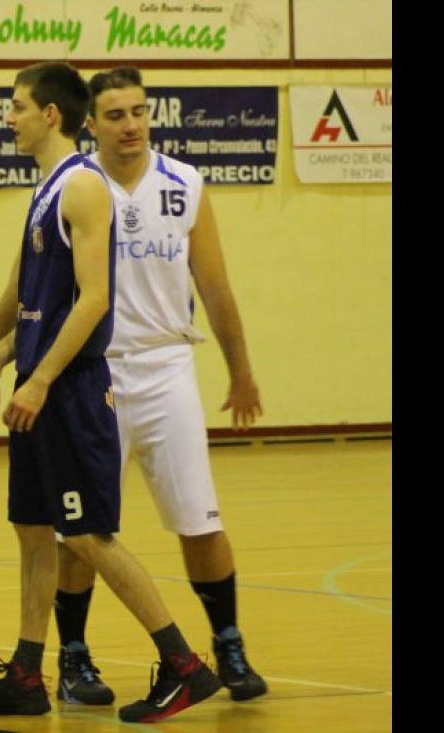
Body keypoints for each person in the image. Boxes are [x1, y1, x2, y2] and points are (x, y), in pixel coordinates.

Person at [0, 61, 221, 724]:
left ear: (51, 115)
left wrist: (39, 380)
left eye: (16, 106)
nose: (7, 117)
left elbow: (95, 300)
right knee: (34, 530)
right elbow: (40, 306)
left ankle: (185, 664)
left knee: (89, 535)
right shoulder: (44, 192)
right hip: (39, 385)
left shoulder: (83, 190)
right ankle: (25, 674)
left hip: (70, 391)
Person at [49, 65, 266, 704]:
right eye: (116, 115)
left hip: (169, 366)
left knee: (200, 517)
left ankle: (228, 643)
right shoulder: (75, 187)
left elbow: (215, 285)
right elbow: (38, 288)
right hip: (98, 372)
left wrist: (242, 369)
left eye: (139, 111)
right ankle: (75, 657)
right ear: (90, 123)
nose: (132, 125)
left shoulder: (185, 184)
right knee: (79, 529)